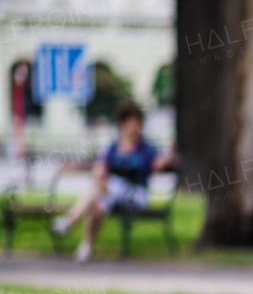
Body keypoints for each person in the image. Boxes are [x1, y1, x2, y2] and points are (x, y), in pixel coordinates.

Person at [53, 100, 176, 262]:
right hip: (112, 193)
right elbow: (100, 166)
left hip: (136, 194)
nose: (135, 127)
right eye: (132, 123)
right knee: (99, 204)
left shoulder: (146, 149)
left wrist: (167, 160)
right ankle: (86, 247)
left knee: (105, 188)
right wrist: (100, 175)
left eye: (138, 123)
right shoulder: (113, 147)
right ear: (123, 124)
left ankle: (70, 220)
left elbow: (161, 162)